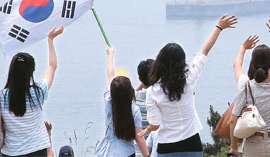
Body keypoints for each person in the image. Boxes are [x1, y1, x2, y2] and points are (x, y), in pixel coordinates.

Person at [141, 15, 238, 156]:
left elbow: (155, 124)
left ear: (159, 63)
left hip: (167, 147)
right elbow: (204, 52)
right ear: (182, 62)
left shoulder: (153, 91)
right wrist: (219, 28)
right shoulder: (189, 79)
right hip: (192, 143)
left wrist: (146, 130)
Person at [228, 20, 270, 157]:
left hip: (253, 144)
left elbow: (232, 120)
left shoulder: (245, 86)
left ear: (252, 64)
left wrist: (243, 47)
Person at [0, 26, 64, 156]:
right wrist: (50, 40)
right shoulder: (38, 93)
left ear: (11, 72)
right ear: (31, 72)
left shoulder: (1, 97)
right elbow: (52, 67)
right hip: (37, 150)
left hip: (11, 152)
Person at [94, 47, 150, 157]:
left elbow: (110, 74)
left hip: (107, 152)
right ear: (130, 90)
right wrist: (147, 156)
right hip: (126, 153)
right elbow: (139, 137)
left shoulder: (109, 101)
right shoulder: (134, 110)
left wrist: (110, 54)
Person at [136, 59, 154, 129]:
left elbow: (133, 94)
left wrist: (143, 81)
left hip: (140, 137)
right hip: (156, 138)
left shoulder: (134, 98)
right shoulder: (161, 96)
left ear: (140, 79)